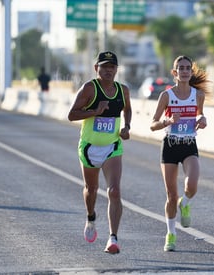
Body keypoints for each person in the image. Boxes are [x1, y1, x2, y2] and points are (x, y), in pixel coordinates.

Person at [68, 51, 132, 254]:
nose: (108, 70)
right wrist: (95, 110)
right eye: (104, 66)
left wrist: (127, 126)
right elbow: (71, 114)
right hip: (89, 147)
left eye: (111, 67)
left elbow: (127, 109)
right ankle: (90, 216)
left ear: (116, 70)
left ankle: (113, 238)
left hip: (112, 146)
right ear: (96, 68)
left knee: (114, 191)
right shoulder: (89, 88)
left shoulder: (123, 90)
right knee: (92, 189)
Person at [150, 55, 210, 252]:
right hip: (170, 145)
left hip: (189, 144)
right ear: (174, 73)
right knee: (170, 194)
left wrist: (202, 119)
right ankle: (171, 234)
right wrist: (167, 122)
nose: (184, 71)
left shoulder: (197, 95)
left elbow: (199, 113)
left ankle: (185, 203)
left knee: (191, 185)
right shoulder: (166, 96)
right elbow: (153, 124)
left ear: (191, 72)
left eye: (187, 68)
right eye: (180, 68)